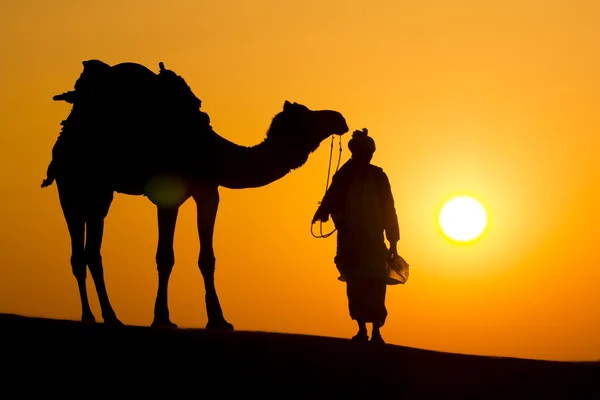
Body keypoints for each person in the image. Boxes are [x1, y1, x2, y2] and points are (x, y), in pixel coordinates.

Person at [312, 128, 400, 344]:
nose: (367, 157)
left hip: (374, 242)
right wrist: (334, 216)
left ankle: (376, 332)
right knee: (356, 285)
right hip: (351, 241)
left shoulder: (378, 177)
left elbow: (389, 209)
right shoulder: (343, 176)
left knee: (376, 285)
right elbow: (331, 202)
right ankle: (362, 330)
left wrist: (393, 241)